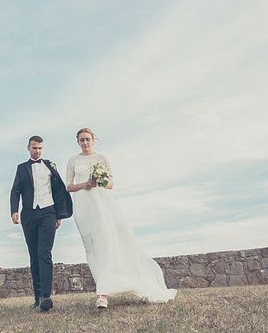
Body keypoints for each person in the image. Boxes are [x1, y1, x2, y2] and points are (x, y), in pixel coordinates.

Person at [65, 128, 176, 308]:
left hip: (102, 206)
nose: (85, 143)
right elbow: (68, 186)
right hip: (83, 208)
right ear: (77, 141)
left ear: (93, 140)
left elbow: (110, 184)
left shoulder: (102, 158)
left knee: (107, 244)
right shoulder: (73, 160)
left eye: (87, 139)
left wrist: (98, 182)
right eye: (81, 140)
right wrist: (84, 184)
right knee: (92, 248)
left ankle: (102, 294)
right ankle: (104, 287)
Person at [10, 135, 73, 312]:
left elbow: (59, 190)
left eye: (40, 148)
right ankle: (37, 296)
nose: (37, 151)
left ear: (42, 149)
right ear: (28, 148)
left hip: (48, 213)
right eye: (34, 148)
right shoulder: (21, 168)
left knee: (44, 253)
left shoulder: (50, 166)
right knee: (34, 256)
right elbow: (15, 191)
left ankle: (46, 296)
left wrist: (59, 215)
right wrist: (14, 210)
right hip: (29, 215)